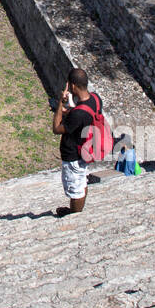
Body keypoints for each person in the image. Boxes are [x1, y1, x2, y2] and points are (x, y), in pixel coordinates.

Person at [51, 67, 104, 214]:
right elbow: (80, 116)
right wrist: (69, 108)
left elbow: (56, 128)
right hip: (86, 149)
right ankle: (77, 209)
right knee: (82, 181)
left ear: (73, 86)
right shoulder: (95, 99)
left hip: (74, 155)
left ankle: (74, 214)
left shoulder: (78, 114)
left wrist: (60, 104)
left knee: (76, 189)